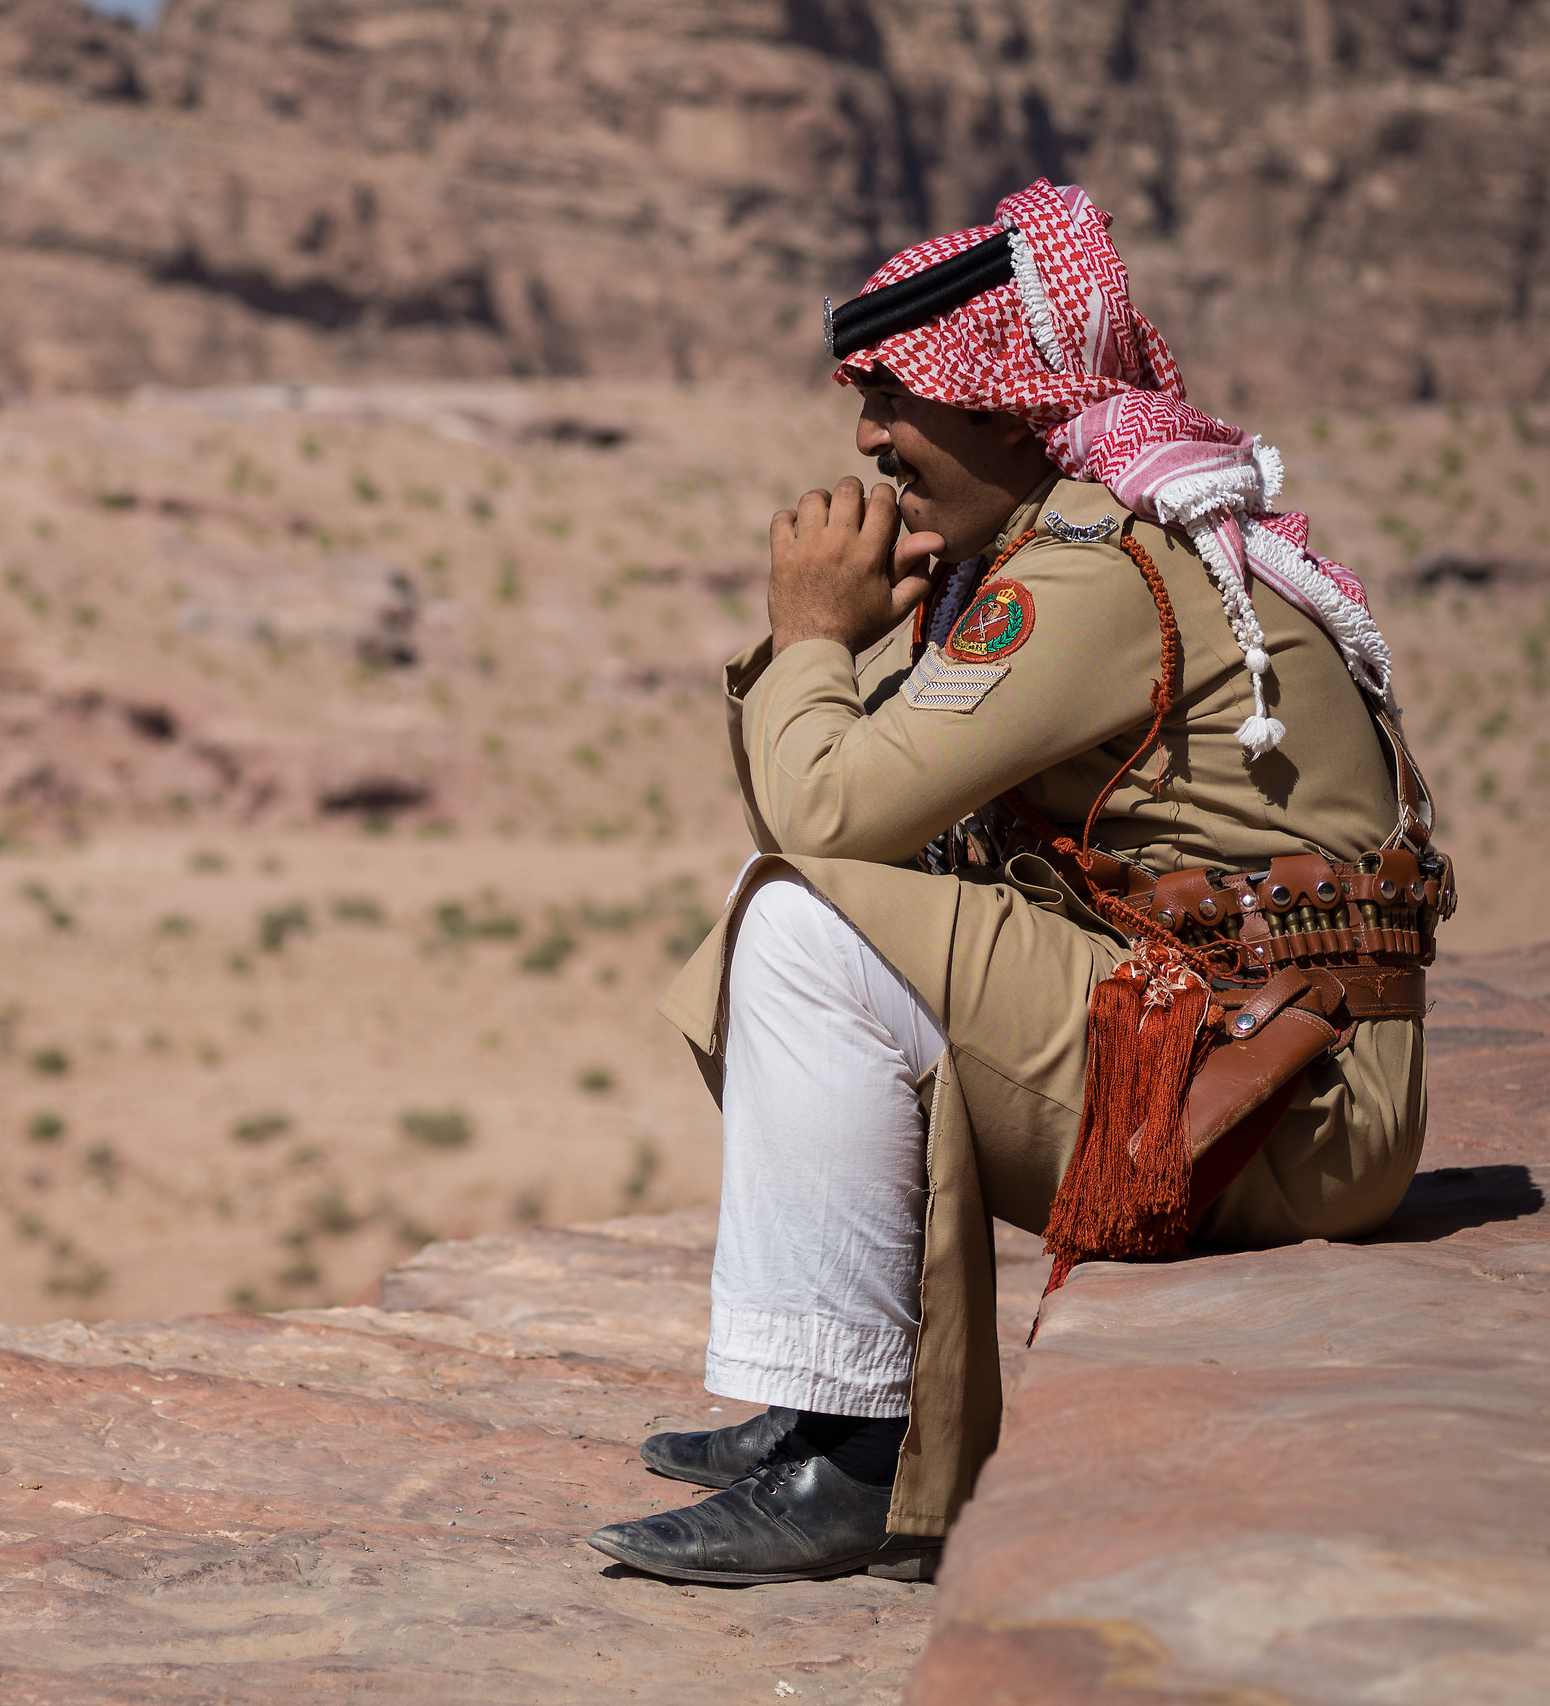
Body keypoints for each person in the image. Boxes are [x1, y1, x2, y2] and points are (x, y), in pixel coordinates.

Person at [585, 179, 1447, 1587]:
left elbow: (828, 810)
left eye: (898, 394)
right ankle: (835, 1405)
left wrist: (807, 634)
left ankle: (862, 1465)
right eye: (860, 395)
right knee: (806, 922)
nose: (868, 435)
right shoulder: (1060, 549)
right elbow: (876, 825)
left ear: (1015, 408)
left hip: (1273, 1112)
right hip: (1262, 1072)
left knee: (803, 926)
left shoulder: (1095, 573)